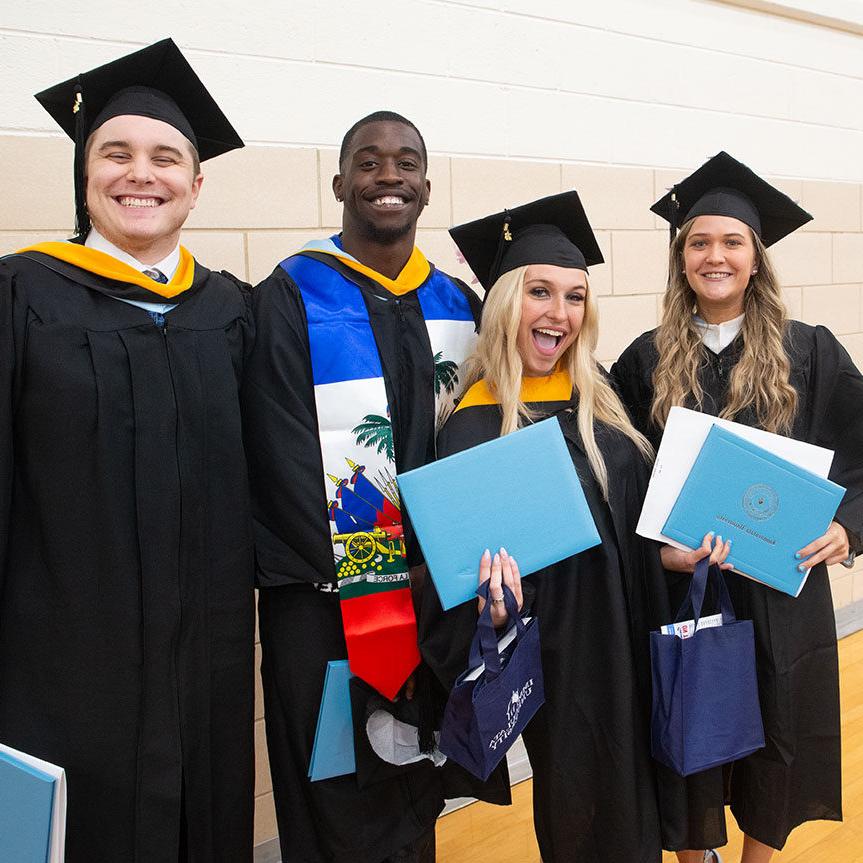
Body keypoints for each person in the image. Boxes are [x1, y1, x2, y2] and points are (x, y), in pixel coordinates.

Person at [0, 40, 255, 862]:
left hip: (206, 660)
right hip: (61, 661)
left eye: (165, 157)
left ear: (195, 181)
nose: (139, 174)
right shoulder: (20, 294)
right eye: (116, 153)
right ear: (84, 173)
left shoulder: (233, 311)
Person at [420, 191, 704, 863]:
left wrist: (668, 560)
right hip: (570, 666)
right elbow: (453, 587)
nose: (560, 313)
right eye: (540, 292)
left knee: (646, 802)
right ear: (505, 304)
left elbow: (624, 528)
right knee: (592, 820)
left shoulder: (598, 399)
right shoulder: (474, 427)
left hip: (636, 640)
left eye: (575, 296)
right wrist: (491, 608)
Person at [242, 111, 484, 863]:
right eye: (370, 163)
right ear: (340, 181)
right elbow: (274, 454)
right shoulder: (287, 297)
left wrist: (432, 574)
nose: (389, 177)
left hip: (432, 593)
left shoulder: (458, 303)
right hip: (323, 599)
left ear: (425, 186)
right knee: (334, 781)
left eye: (405, 163)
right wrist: (376, 577)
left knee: (415, 773)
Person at [612, 151, 863, 863]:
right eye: (698, 242)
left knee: (776, 732)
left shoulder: (808, 352)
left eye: (730, 242)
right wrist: (656, 552)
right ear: (679, 258)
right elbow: (619, 485)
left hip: (778, 591)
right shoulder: (643, 360)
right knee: (685, 732)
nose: (713, 256)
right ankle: (694, 858)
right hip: (683, 583)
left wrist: (848, 528)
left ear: (755, 258)